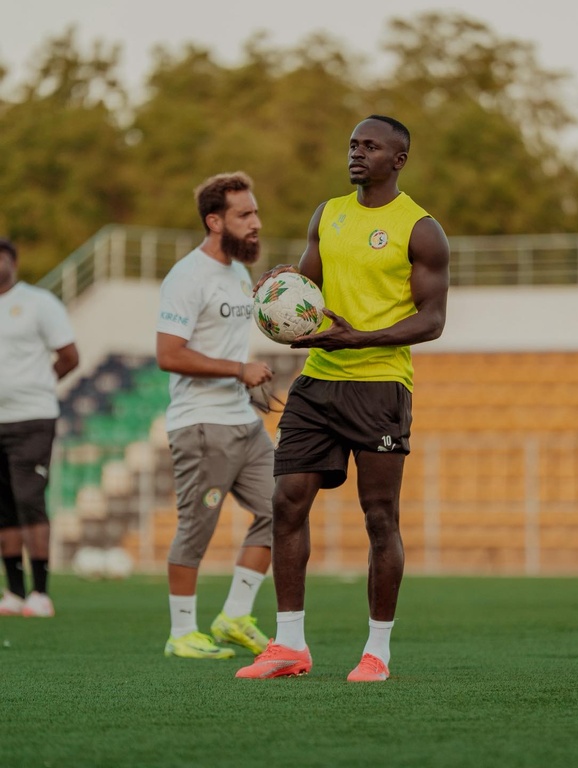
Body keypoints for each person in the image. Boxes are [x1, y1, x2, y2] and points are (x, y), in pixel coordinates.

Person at [236, 115, 450, 682]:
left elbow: (432, 321)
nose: (357, 154)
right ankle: (289, 646)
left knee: (379, 517)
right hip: (319, 379)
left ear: (398, 159)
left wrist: (363, 337)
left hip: (380, 383)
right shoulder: (327, 214)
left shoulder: (421, 228)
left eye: (371, 146)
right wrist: (278, 290)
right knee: (286, 501)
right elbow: (306, 301)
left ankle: (377, 652)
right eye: (353, 144)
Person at [156, 171, 275, 660]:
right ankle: (182, 633)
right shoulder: (187, 277)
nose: (256, 223)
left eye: (255, 213)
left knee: (282, 510)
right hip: (202, 425)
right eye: (244, 215)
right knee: (196, 530)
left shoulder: (238, 273)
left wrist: (248, 384)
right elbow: (168, 353)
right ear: (214, 220)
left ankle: (234, 617)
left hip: (244, 423)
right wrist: (238, 370)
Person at [0, 237, 79, 618]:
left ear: (13, 260)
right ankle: (14, 593)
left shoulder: (38, 303)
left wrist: (38, 387)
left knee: (30, 501)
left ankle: (41, 593)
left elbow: (69, 356)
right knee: (4, 509)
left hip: (32, 418)